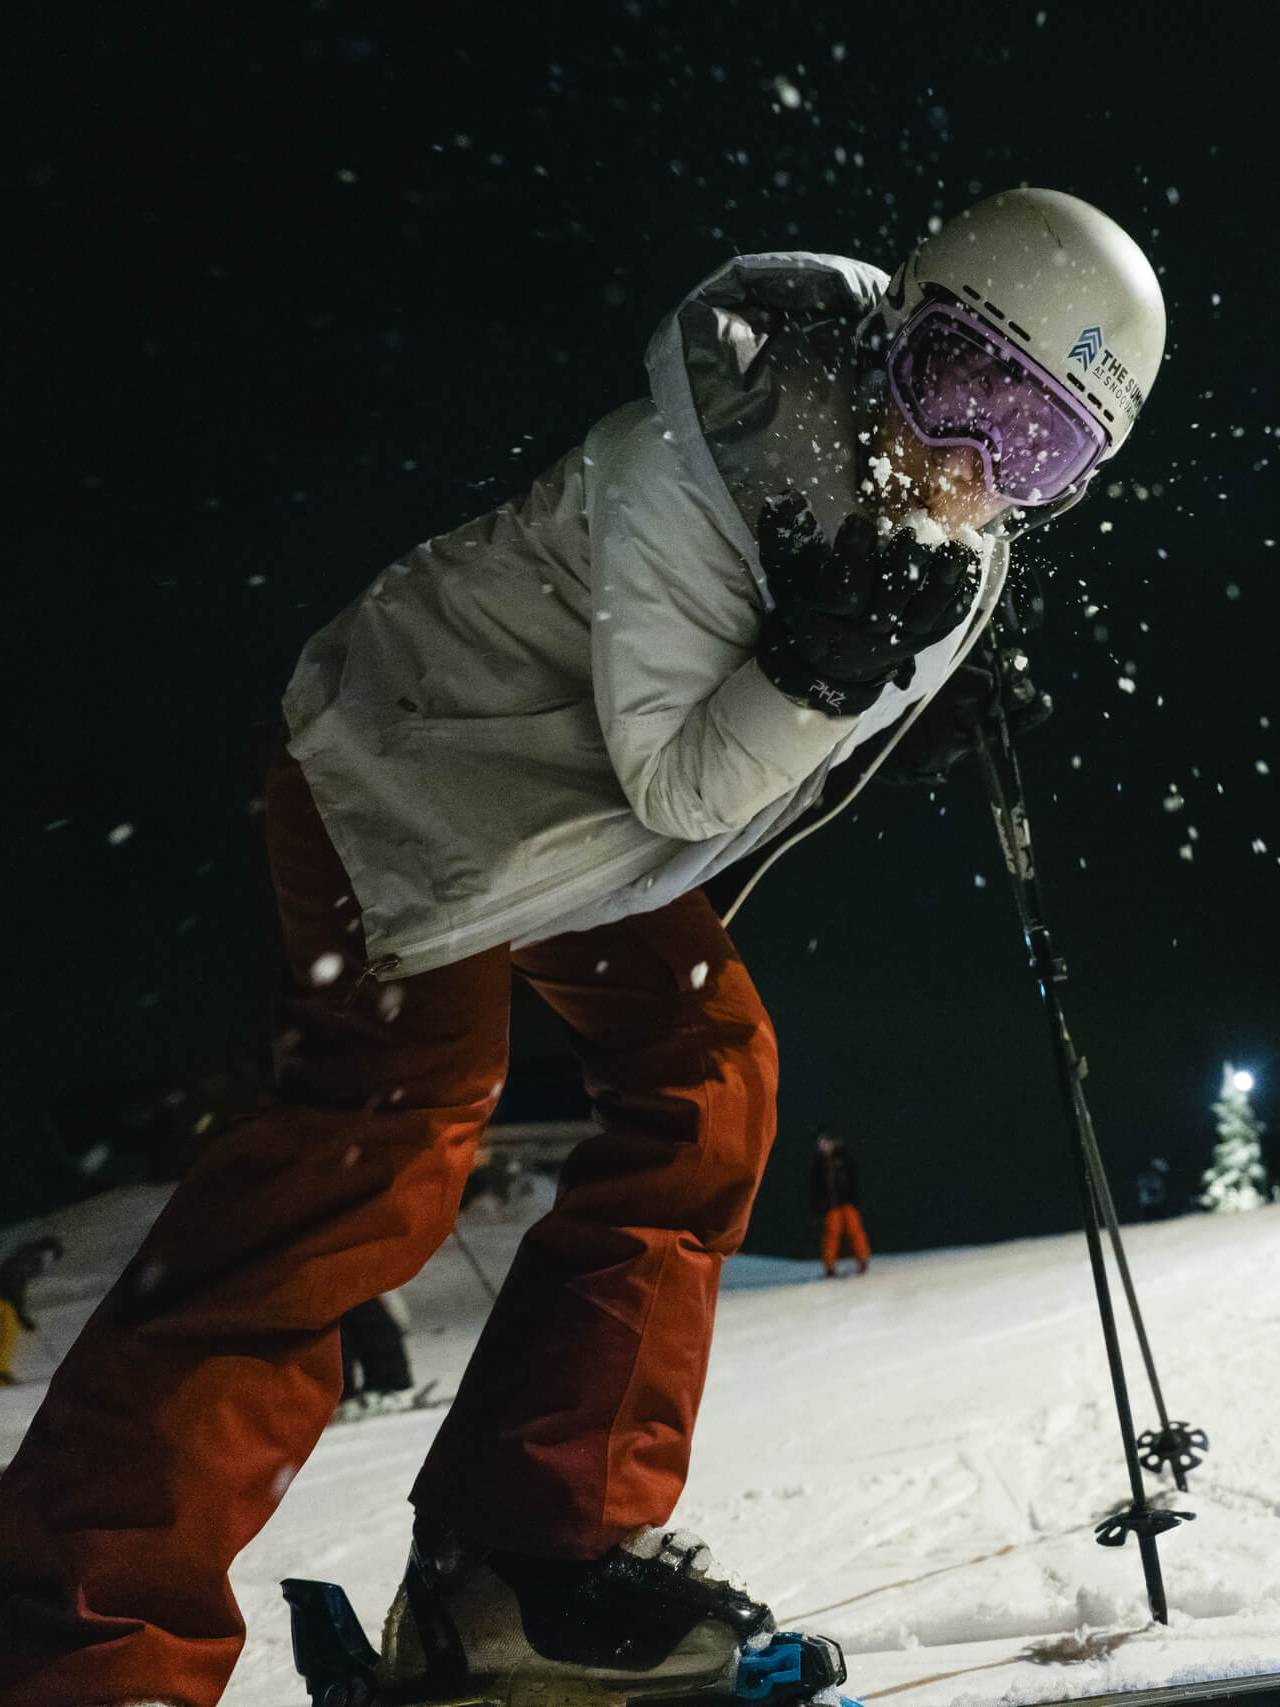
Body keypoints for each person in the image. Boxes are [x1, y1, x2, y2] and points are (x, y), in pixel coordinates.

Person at [0, 189, 1166, 1707]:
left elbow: (775, 728)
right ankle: (82, 1635)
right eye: (961, 382)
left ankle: (531, 1567)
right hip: (410, 767)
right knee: (388, 1138)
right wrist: (827, 670)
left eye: (1037, 442)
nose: (966, 463)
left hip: (563, 838)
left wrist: (882, 690)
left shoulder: (956, 529)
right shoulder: (692, 462)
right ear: (899, 328)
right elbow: (685, 778)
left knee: (710, 1076)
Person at [0, 1236, 64, 1387]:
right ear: (47, 1252)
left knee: (6, 1334)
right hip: (3, 1300)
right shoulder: (29, 1258)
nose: (49, 1264)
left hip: (5, 1299)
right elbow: (13, 1282)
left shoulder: (25, 1256)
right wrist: (21, 1314)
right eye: (52, 1258)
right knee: (7, 1335)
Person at [810, 1132, 870, 1277]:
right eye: (821, 1143)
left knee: (854, 1230)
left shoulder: (844, 1158)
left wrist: (853, 1199)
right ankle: (829, 1267)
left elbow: (853, 1180)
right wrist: (820, 1205)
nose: (824, 1146)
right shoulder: (819, 1164)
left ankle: (863, 1260)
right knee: (831, 1234)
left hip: (847, 1203)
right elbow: (815, 1187)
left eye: (826, 1142)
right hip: (830, 1206)